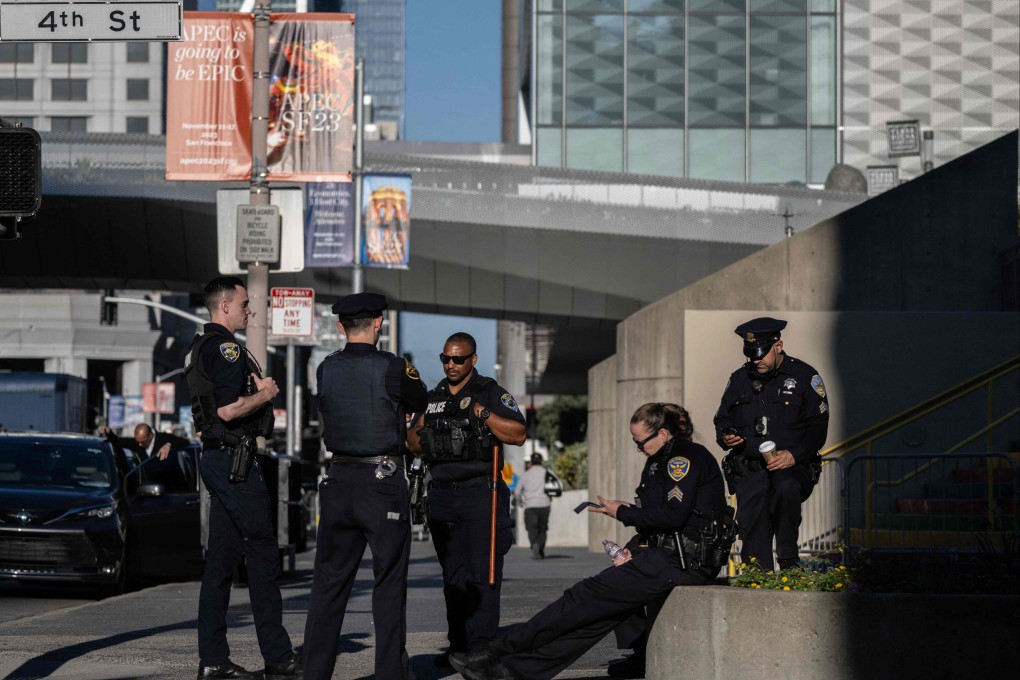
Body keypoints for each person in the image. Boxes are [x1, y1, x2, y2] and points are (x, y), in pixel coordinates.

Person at [450, 403, 732, 680]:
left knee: (581, 597)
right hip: (666, 556)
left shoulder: (682, 458)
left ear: (662, 434)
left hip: (681, 562)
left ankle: (495, 652)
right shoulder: (659, 458)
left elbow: (672, 516)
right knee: (597, 617)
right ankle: (514, 671)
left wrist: (621, 512)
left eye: (641, 442)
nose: (638, 448)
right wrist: (631, 548)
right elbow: (658, 518)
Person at [303, 292, 428, 680]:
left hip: (337, 479)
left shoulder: (325, 368)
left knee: (328, 584)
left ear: (340, 327)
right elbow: (420, 399)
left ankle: (315, 673)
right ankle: (390, 673)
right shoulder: (394, 368)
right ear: (378, 324)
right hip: (382, 480)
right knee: (388, 583)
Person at [184, 276, 301, 680]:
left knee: (220, 563)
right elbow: (229, 411)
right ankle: (279, 657)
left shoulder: (199, 347)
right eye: (245, 303)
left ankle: (213, 660)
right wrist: (266, 394)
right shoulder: (228, 348)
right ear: (225, 308)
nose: (250, 310)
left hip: (217, 460)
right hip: (236, 462)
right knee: (264, 554)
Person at [406, 332, 527, 668]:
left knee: (483, 573)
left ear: (473, 359)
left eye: (458, 359)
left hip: (481, 492)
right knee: (453, 576)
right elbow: (412, 442)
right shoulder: (434, 397)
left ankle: (482, 645)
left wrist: (481, 413)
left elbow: (518, 433)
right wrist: (428, 427)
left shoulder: (490, 392)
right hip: (443, 494)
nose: (451, 364)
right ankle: (458, 644)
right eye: (446, 358)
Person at [713, 317, 829, 572]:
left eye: (761, 354)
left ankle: (789, 562)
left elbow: (818, 427)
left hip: (791, 464)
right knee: (752, 517)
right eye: (751, 354)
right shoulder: (739, 378)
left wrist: (794, 455)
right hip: (750, 466)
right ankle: (757, 575)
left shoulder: (804, 376)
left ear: (778, 345)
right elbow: (722, 418)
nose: (756, 360)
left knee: (785, 489)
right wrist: (725, 435)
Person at [518, 452, 552, 559]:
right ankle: (540, 547)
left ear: (531, 462)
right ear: (541, 461)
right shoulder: (547, 472)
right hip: (545, 504)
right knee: (543, 528)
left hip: (530, 505)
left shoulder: (525, 474)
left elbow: (518, 491)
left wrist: (520, 501)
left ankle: (535, 544)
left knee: (532, 528)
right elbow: (556, 484)